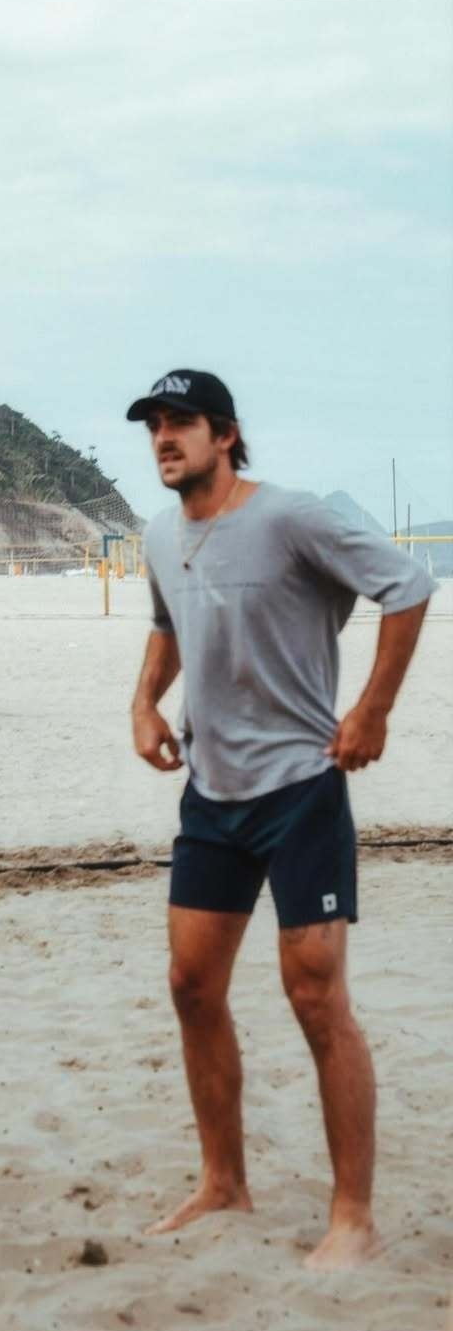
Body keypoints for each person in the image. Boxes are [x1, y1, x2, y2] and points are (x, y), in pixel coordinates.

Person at [127, 369, 434, 1271]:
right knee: (191, 987)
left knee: (315, 997)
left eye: (182, 422)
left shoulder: (293, 518)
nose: (164, 437)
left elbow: (409, 585)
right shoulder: (159, 535)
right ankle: (223, 1183)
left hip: (301, 788)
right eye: (154, 424)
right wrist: (145, 703)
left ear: (225, 434)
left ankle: (353, 1217)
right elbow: (168, 624)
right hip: (212, 795)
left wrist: (372, 710)